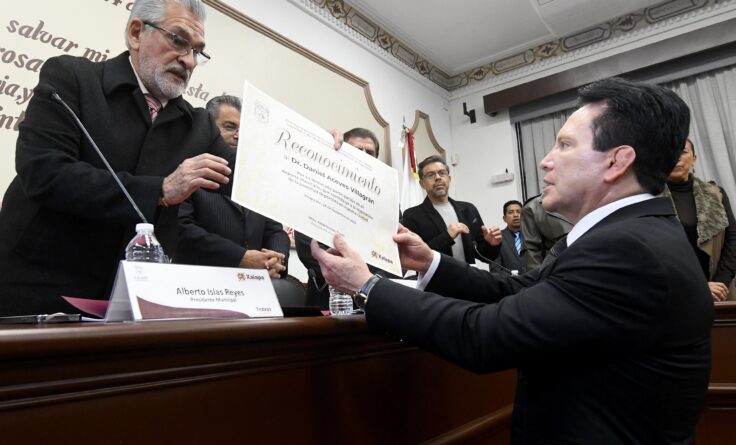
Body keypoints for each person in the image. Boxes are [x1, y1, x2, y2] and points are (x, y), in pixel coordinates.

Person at [312, 78, 712, 444]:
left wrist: (368, 286)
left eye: (565, 145)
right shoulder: (626, 235)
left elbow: (485, 335)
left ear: (616, 161)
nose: (545, 160)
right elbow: (516, 288)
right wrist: (430, 261)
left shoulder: (627, 249)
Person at [0, 0, 235, 322]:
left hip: (125, 310)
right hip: (32, 297)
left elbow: (247, 181)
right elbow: (45, 173)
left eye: (197, 51)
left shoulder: (198, 125)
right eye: (178, 40)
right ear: (137, 33)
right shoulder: (71, 78)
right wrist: (160, 189)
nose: (188, 60)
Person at [174, 95, 289, 278]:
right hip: (198, 283)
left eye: (243, 130)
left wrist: (275, 259)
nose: (238, 136)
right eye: (229, 127)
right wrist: (240, 257)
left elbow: (275, 230)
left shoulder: (255, 178)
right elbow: (182, 228)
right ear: (208, 127)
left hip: (253, 286)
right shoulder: (188, 170)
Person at [294, 127, 384, 308]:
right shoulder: (316, 190)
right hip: (326, 300)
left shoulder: (385, 202)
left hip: (375, 300)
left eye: (370, 153)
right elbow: (306, 247)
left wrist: (367, 280)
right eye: (357, 151)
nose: (364, 156)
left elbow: (392, 254)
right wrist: (351, 273)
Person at [665, 139, 736, 301]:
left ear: (694, 159)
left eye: (683, 152)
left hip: (720, 293)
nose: (677, 157)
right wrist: (698, 287)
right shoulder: (650, 199)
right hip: (675, 294)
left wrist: (720, 283)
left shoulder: (715, 193)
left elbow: (733, 239)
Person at [401, 155, 501, 266]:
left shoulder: (468, 209)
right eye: (430, 175)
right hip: (438, 277)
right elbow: (415, 256)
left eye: (442, 173)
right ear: (422, 184)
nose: (438, 178)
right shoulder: (412, 215)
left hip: (469, 275)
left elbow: (486, 256)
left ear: (449, 179)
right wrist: (447, 236)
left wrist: (491, 244)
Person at [519, 194, 573, 272]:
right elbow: (531, 251)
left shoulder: (589, 199)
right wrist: (540, 277)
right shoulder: (534, 207)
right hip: (563, 271)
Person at [490, 200, 523, 275]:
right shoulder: (497, 238)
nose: (515, 215)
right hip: (509, 281)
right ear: (504, 218)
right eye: (510, 212)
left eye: (519, 212)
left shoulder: (534, 235)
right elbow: (495, 269)